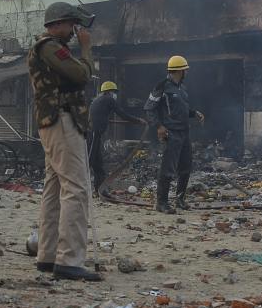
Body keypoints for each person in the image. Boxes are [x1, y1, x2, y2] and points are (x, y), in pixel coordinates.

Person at [26, 1, 100, 282]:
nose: (73, 31)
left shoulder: (48, 47)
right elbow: (82, 74)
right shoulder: (49, 47)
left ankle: (48, 255)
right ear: (57, 24)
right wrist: (86, 48)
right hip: (63, 121)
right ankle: (69, 260)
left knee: (55, 188)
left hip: (55, 122)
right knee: (76, 188)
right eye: (71, 24)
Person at [144, 55, 205, 214]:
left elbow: (181, 110)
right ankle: (162, 203)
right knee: (168, 168)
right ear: (179, 71)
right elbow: (149, 108)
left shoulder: (182, 88)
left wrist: (194, 113)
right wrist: (159, 126)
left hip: (184, 133)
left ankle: (180, 199)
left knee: (185, 167)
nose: (186, 72)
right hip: (171, 133)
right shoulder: (162, 86)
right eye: (185, 70)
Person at [87, 81, 144, 194]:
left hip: (95, 134)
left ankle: (100, 190)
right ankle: (82, 189)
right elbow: (122, 114)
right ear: (109, 92)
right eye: (114, 92)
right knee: (89, 162)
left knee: (98, 164)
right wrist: (138, 120)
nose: (115, 95)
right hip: (93, 133)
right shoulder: (108, 99)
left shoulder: (98, 100)